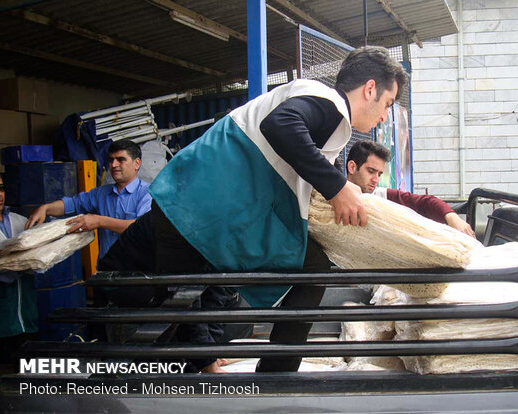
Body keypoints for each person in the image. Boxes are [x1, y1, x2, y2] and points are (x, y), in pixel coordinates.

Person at [98, 46, 409, 373]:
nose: (385, 116)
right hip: (194, 212)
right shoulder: (327, 102)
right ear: (370, 89)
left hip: (209, 216)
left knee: (308, 268)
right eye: (388, 104)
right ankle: (118, 384)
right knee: (165, 313)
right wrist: (337, 188)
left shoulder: (324, 119)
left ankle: (272, 374)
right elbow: (282, 125)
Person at [25, 140, 152, 258]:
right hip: (106, 272)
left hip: (137, 273)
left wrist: (99, 221)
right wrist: (45, 208)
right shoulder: (101, 193)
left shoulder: (147, 193)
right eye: (111, 160)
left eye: (120, 159)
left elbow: (140, 228)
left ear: (137, 163)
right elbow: (73, 204)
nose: (114, 165)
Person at [345, 140, 475, 238]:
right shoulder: (331, 194)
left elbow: (424, 202)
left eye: (379, 174)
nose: (376, 179)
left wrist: (453, 218)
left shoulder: (380, 195)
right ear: (352, 167)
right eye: (371, 171)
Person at [0, 174, 37, 370]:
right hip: (3, 320)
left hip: (26, 315)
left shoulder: (19, 221)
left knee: (27, 372)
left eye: (1, 188)